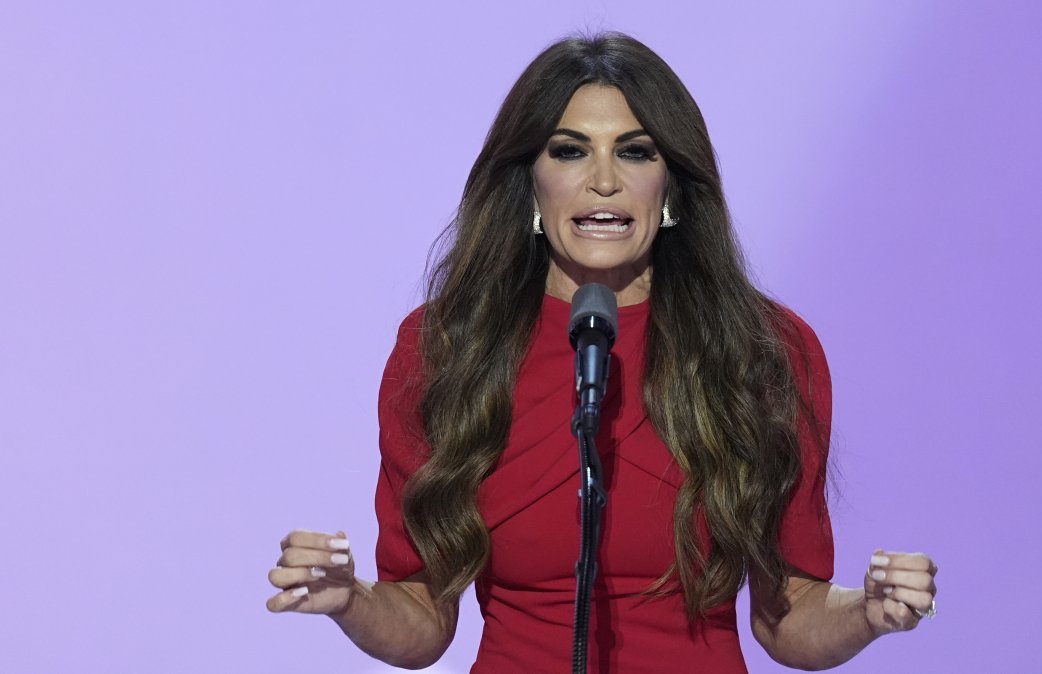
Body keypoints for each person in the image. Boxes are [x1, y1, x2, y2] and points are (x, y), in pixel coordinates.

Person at [265, 32, 938, 672]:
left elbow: (789, 616)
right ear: (528, 180)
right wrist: (350, 601)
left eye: (636, 152)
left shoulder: (763, 351)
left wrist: (867, 613)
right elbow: (422, 616)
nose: (605, 182)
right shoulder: (445, 348)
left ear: (671, 185)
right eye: (570, 151)